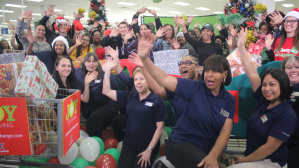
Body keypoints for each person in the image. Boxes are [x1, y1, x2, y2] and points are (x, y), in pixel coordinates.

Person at [137, 29, 235, 168]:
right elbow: (163, 79)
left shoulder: (229, 100)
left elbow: (225, 132)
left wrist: (213, 155)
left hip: (204, 150)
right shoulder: (193, 87)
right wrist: (144, 58)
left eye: (215, 71)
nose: (209, 75)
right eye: (207, 70)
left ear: (225, 74)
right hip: (179, 144)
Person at [228, 28, 297, 168]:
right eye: (264, 85)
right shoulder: (264, 99)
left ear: (282, 85)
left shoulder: (286, 112)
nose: (267, 89)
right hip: (253, 157)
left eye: (272, 85)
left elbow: (270, 148)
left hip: (270, 161)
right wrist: (241, 46)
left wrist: (242, 161)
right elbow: (252, 72)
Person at [102, 57, 167, 168]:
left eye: (142, 79)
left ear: (148, 80)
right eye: (136, 79)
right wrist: (107, 71)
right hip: (129, 145)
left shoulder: (157, 100)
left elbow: (160, 128)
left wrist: (149, 150)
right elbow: (106, 91)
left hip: (146, 147)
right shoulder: (130, 96)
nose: (138, 82)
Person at [75, 52, 119, 137]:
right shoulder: (78, 73)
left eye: (94, 61)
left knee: (94, 120)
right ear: (84, 63)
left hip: (107, 106)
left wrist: (107, 71)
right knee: (93, 119)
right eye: (88, 61)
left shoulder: (102, 72)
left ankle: (96, 145)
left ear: (97, 62)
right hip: (89, 109)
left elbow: (115, 86)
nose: (91, 64)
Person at [280, 56, 299, 168]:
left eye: (297, 67)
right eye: (289, 67)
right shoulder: (277, 90)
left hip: (295, 144)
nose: (293, 70)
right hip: (279, 142)